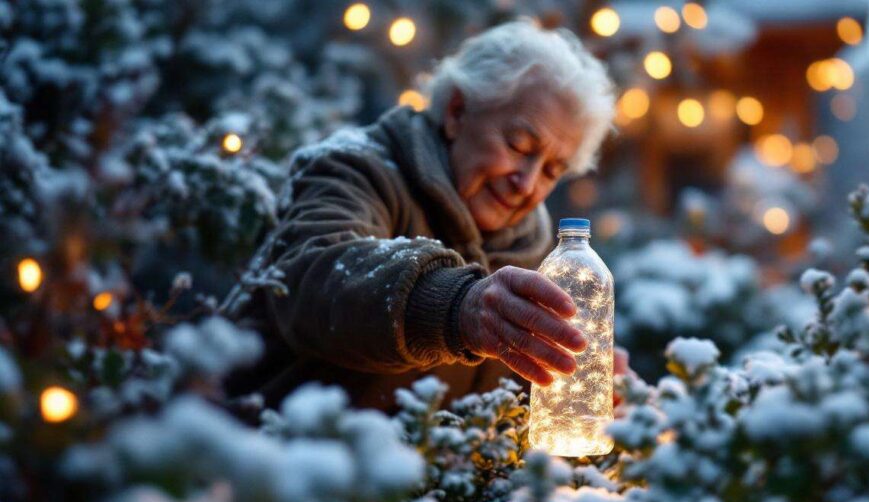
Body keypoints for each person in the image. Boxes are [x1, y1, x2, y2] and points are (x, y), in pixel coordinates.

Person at [224, 20, 625, 411]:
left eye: (553, 170)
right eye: (518, 144)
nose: (527, 183)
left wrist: (582, 376)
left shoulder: (537, 252)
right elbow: (312, 277)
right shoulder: (354, 170)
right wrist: (456, 306)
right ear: (455, 112)